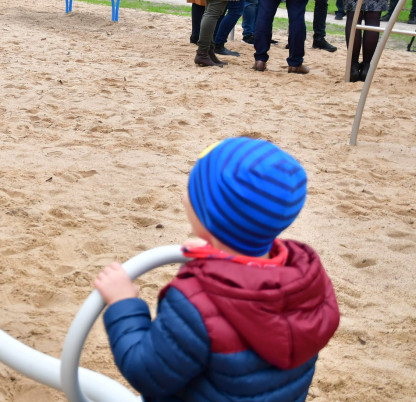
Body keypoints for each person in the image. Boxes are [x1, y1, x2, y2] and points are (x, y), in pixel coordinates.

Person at [93, 136, 340, 401]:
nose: (183, 195)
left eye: (192, 191)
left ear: (210, 219)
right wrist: (212, 251)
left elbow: (146, 373)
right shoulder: (305, 280)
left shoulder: (196, 303)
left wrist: (123, 304)